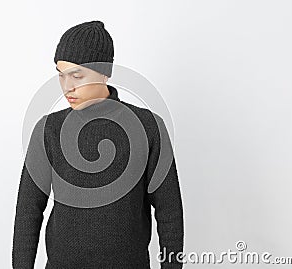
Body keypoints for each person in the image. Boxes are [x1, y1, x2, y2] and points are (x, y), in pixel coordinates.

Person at [12, 20, 184, 269]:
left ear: (105, 71)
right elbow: (28, 212)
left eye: (77, 75)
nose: (67, 86)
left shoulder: (149, 127)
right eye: (61, 75)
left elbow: (170, 214)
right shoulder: (48, 130)